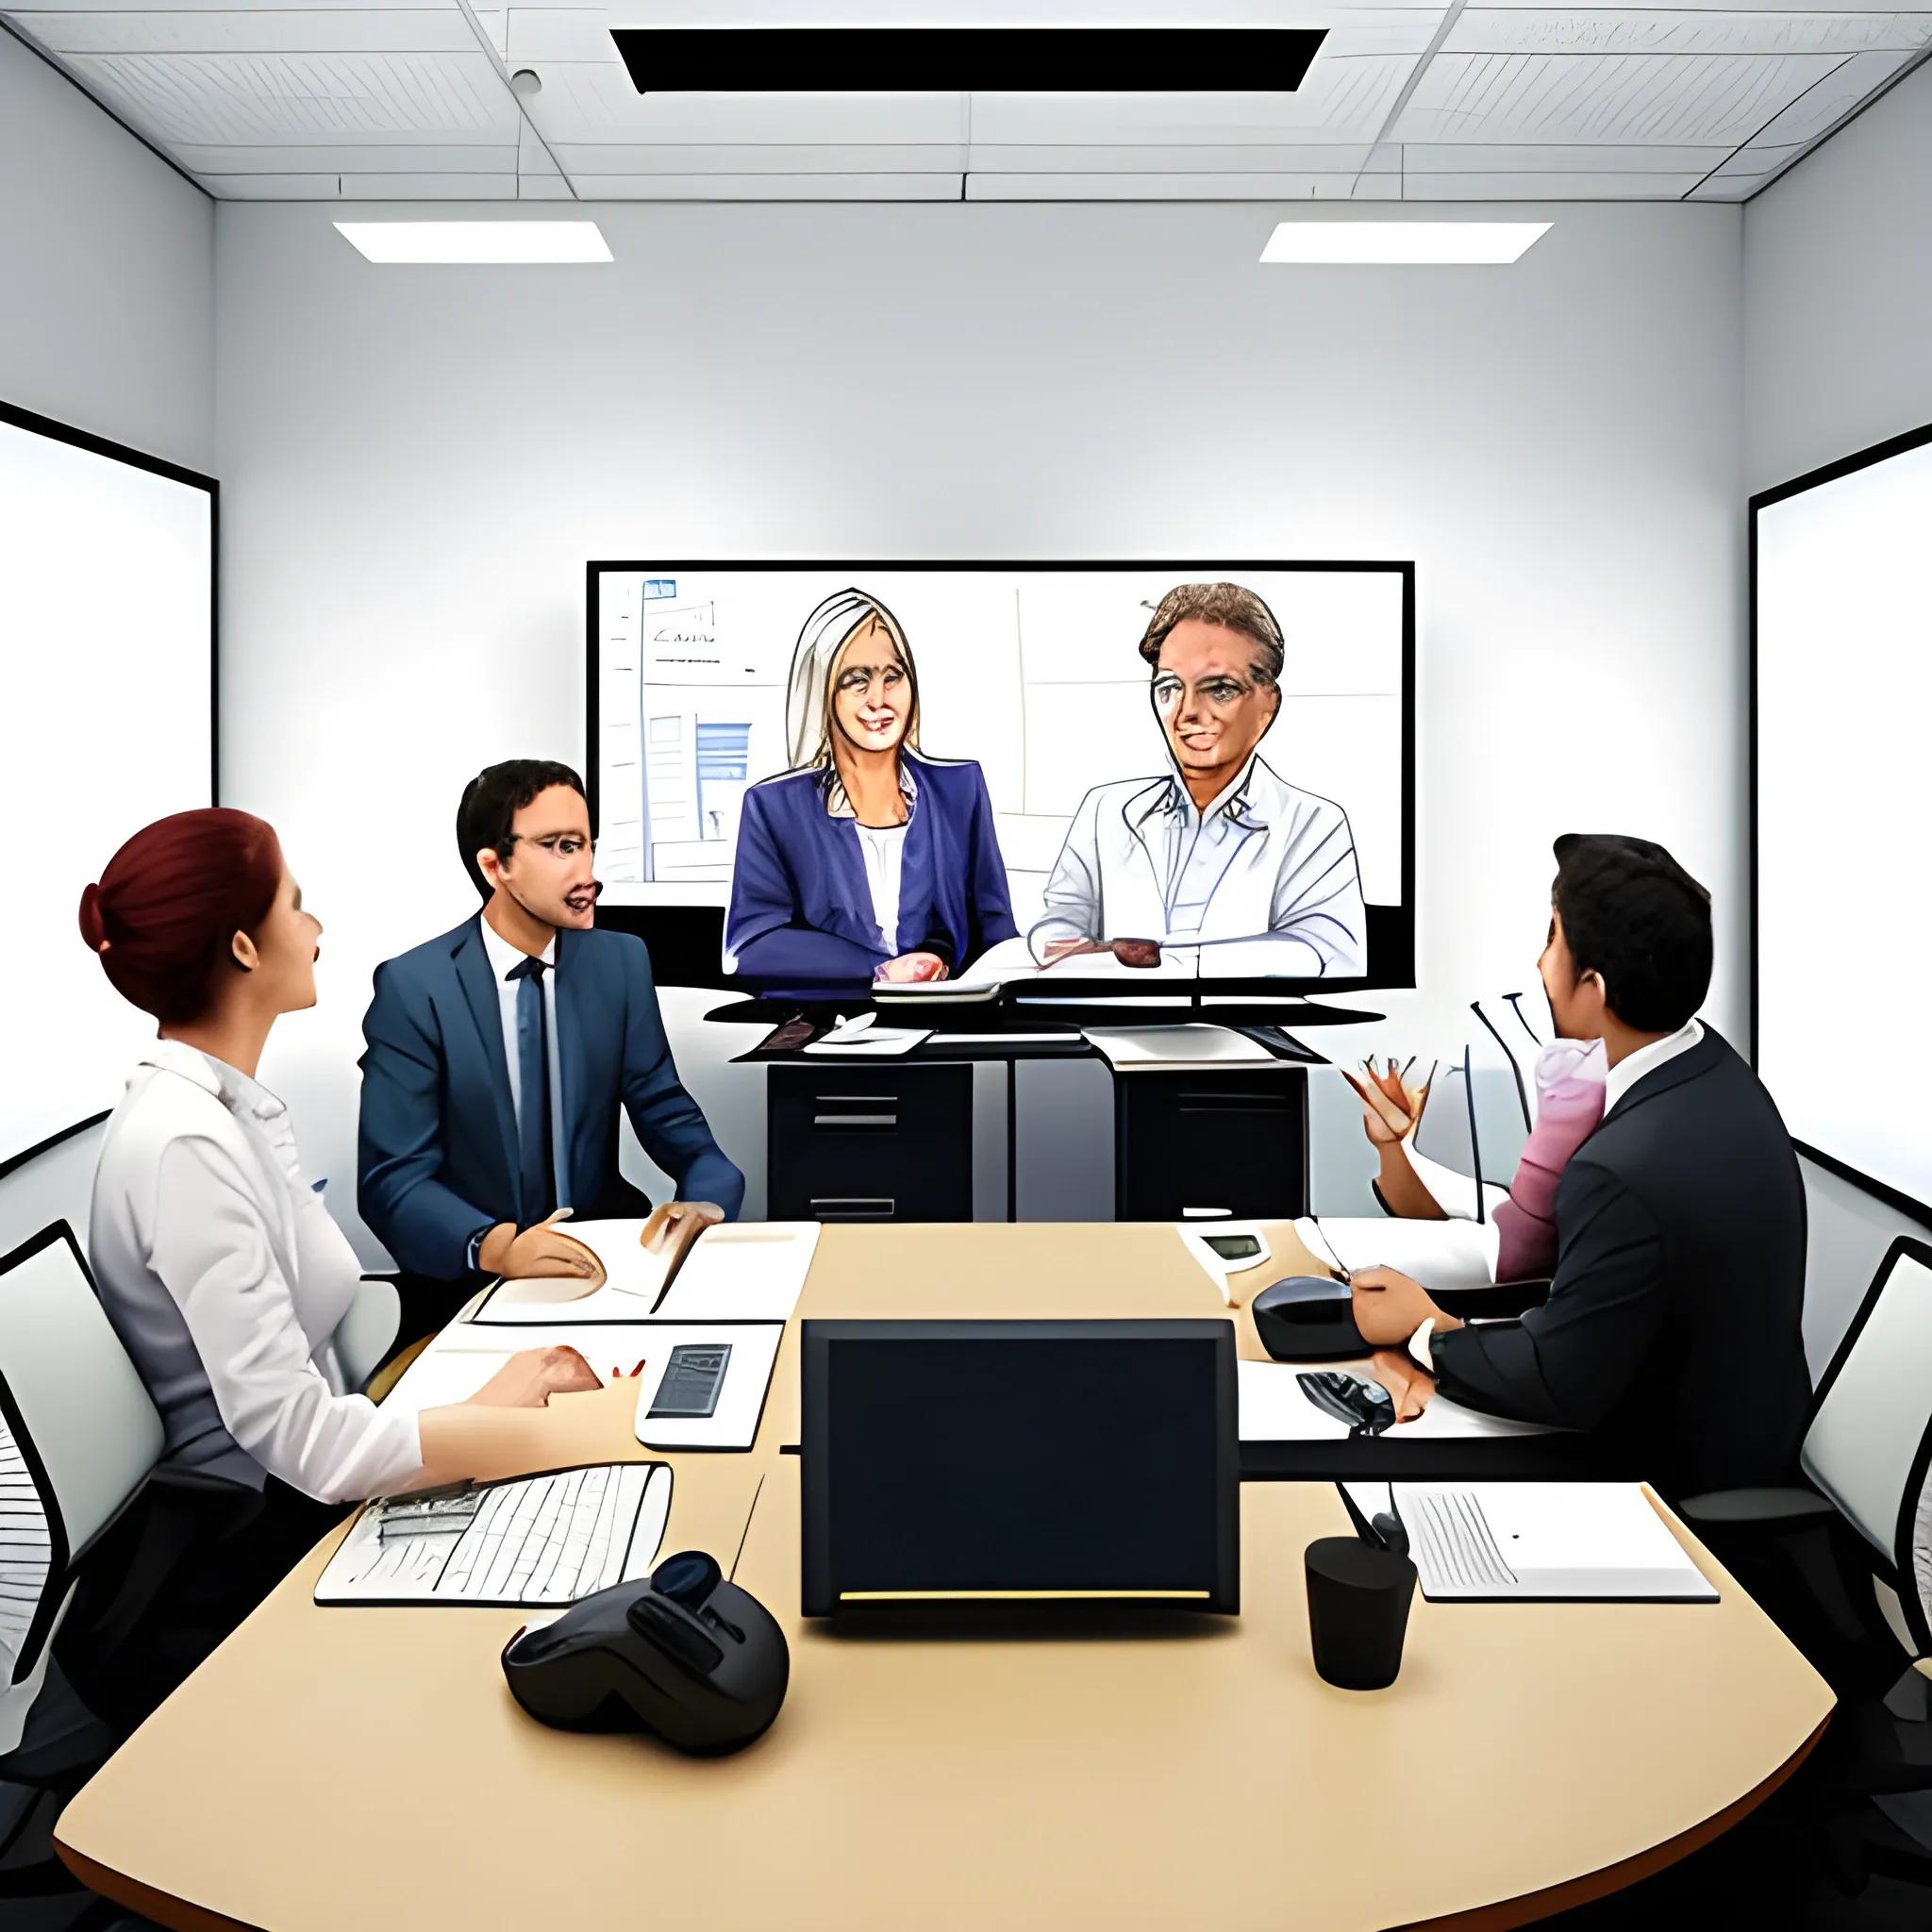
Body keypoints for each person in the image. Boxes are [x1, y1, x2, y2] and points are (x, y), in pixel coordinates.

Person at [79, 808, 608, 1718]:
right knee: (593, 1508)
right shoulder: (186, 1148)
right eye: (296, 905)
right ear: (245, 948)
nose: (316, 929)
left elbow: (317, 1348)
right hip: (261, 1540)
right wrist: (507, 1424)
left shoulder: (227, 1110)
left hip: (316, 1476)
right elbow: (305, 1448)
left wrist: (489, 1395)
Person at [1350, 833, 1811, 1500]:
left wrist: (1430, 1330)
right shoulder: (1702, 1069)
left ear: (1593, 987)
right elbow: (1535, 1230)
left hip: (1668, 1476)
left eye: (1552, 940)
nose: (1539, 964)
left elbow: (1558, 1378)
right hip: (1735, 1431)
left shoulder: (1627, 1165)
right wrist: (1401, 1157)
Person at [358, 760, 744, 1324]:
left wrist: (704, 1198)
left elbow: (670, 1116)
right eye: (559, 847)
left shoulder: (620, 962)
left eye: (587, 845)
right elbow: (393, 1179)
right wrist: (497, 1247)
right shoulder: (416, 987)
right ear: (495, 865)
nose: (586, 871)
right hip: (473, 1283)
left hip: (608, 1263)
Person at [1027, 581, 1366, 975]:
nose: (1186, 711)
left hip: (1246, 1029)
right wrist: (1059, 944)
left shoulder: (1312, 822)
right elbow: (1058, 920)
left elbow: (1327, 954)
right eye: (1169, 687)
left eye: (1220, 689)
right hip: (1114, 1027)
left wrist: (1164, 961)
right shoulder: (1107, 810)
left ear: (1266, 706)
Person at [724, 589, 1017, 983]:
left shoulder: (959, 790)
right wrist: (878, 970)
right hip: (827, 1027)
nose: (879, 699)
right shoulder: (774, 807)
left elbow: (995, 931)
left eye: (892, 677)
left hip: (946, 1020)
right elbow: (750, 949)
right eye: (856, 681)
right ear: (822, 693)